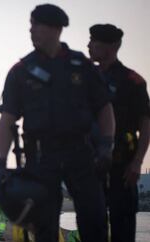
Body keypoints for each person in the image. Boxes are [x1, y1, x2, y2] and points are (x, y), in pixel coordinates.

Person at [0, 4, 116, 242]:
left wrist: (107, 144)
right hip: (41, 157)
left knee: (95, 219)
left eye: (36, 25)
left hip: (81, 154)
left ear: (56, 29)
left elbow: (104, 107)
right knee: (44, 226)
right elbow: (8, 117)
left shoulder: (81, 66)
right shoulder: (21, 71)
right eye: (30, 25)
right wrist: (0, 161)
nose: (31, 31)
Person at [88, 24, 150, 242]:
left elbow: (146, 123)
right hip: (90, 163)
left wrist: (137, 162)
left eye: (94, 42)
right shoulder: (84, 77)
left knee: (122, 223)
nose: (89, 45)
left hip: (123, 164)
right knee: (92, 225)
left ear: (111, 47)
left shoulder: (132, 81)